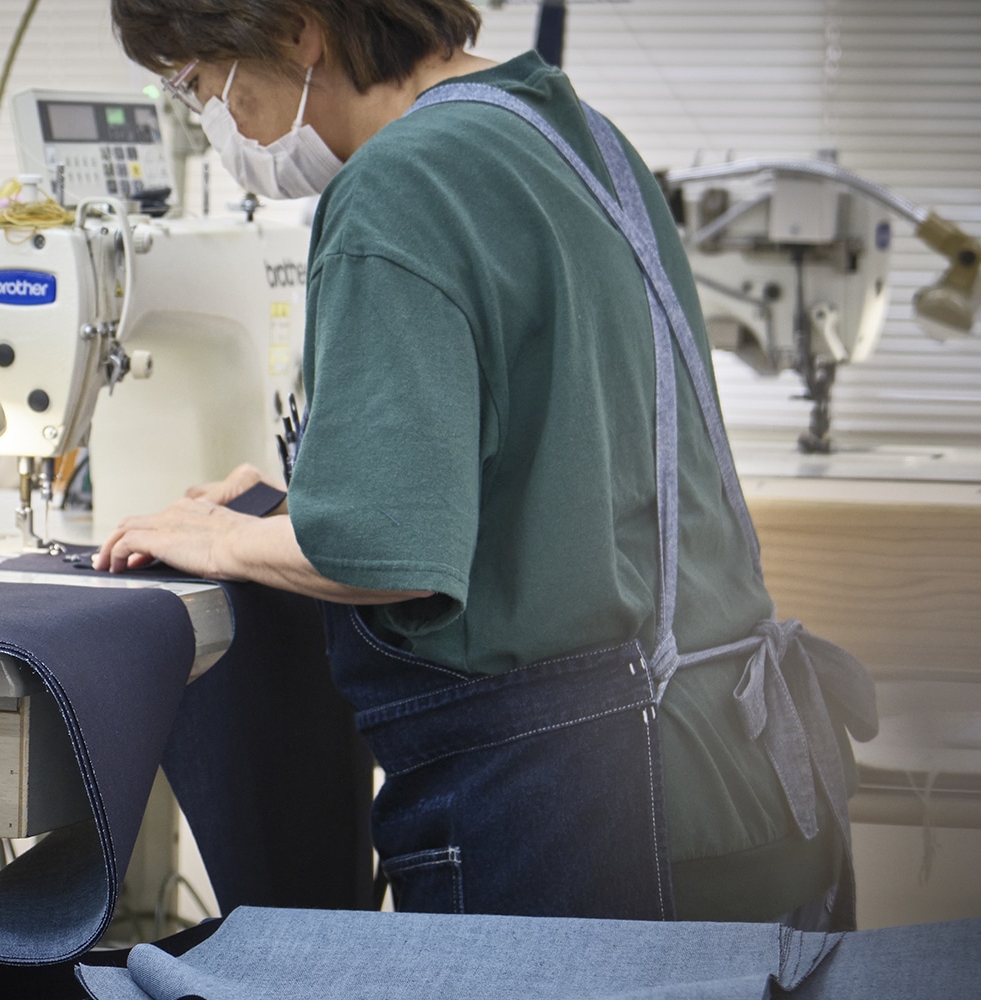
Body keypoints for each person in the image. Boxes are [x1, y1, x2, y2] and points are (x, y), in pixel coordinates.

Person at [97, 0, 876, 929]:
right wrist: (301, 505)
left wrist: (222, 540)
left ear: (299, 30)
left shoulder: (399, 183)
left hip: (584, 816)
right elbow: (554, 477)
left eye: (198, 83)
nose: (215, 119)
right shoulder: (578, 138)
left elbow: (382, 549)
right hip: (753, 781)